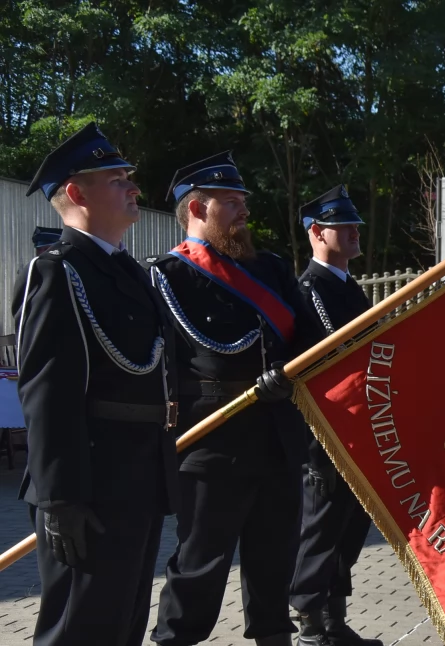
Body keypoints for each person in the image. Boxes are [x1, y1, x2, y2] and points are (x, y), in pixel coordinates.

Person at [147, 152, 323, 646]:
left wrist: (292, 375)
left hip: (278, 438)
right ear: (197, 209)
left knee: (274, 563)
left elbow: (307, 339)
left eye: (242, 199)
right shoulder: (168, 276)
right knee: (199, 567)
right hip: (211, 445)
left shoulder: (271, 268)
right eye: (231, 201)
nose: (244, 209)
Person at [14, 122, 179, 646]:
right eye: (116, 178)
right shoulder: (57, 273)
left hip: (138, 474)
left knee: (122, 622)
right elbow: (45, 394)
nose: (133, 186)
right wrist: (59, 497)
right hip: (89, 481)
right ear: (77, 193)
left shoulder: (130, 274)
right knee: (80, 628)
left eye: (128, 176)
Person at [289, 185, 382, 646]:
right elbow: (338, 351)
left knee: (347, 530)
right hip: (324, 435)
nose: (353, 232)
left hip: (356, 430)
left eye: (355, 225)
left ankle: (334, 619)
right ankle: (310, 623)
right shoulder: (312, 289)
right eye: (343, 225)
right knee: (321, 530)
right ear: (316, 232)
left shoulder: (348, 289)